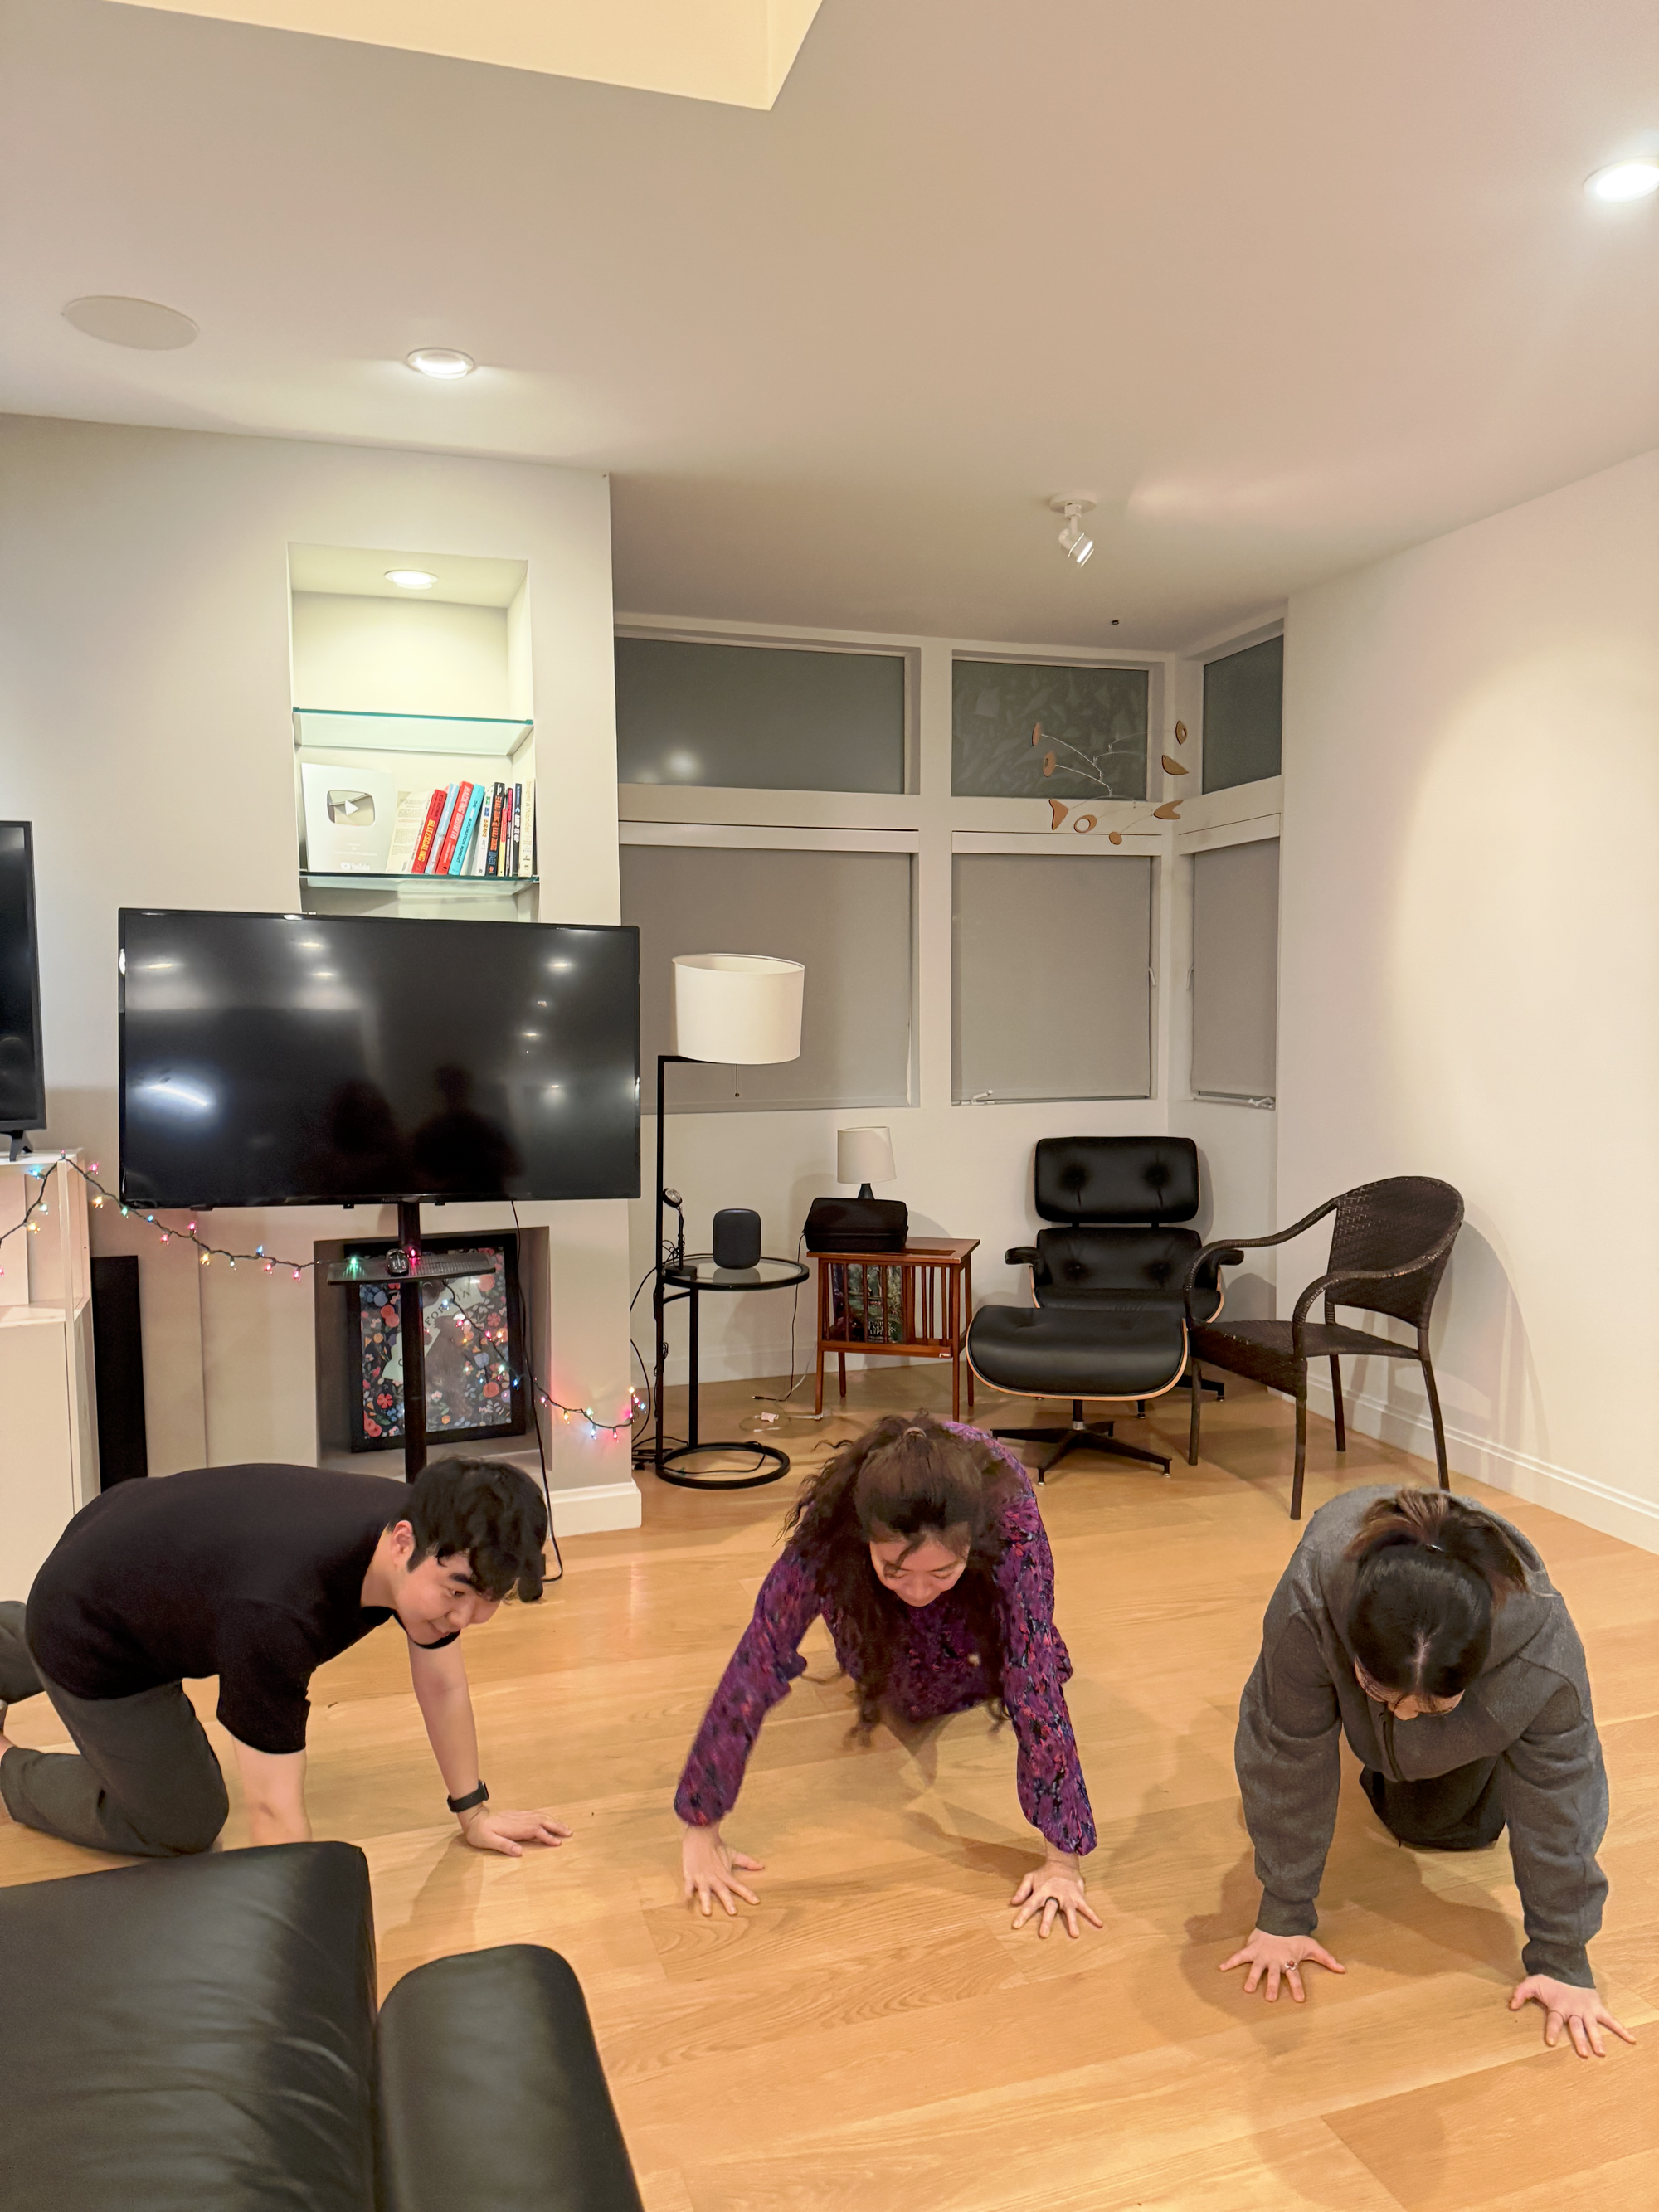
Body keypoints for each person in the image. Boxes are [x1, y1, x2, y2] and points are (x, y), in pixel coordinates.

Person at [1226, 1484, 1633, 2059]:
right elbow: (1284, 1748)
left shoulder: (1542, 1657)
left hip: (1484, 1713)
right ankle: (1395, 1715)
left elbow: (1563, 1796)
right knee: (1344, 1744)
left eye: (1433, 1707)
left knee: (1437, 1825)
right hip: (1346, 1634)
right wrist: (1283, 1913)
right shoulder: (1311, 1594)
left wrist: (1563, 1958)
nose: (1404, 1715)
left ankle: (1433, 1737)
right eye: (1380, 1692)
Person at [0, 1456, 570, 1862]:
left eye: (490, 1599)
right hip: (96, 1632)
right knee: (184, 1823)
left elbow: (442, 1685)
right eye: (457, 1592)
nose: (466, 1617)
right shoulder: (279, 1613)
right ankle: (6, 1765)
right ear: (403, 1543)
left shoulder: (425, 1525)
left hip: (126, 1545)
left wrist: (474, 1813)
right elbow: (272, 1813)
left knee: (137, 1610)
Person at [674, 1412, 1102, 1938]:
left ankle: (940, 1585)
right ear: (864, 1541)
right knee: (901, 1692)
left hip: (984, 1582)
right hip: (875, 1599)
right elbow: (759, 1656)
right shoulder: (832, 1528)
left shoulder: (1012, 1520)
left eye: (941, 1572)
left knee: (1010, 1657)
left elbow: (1031, 1677)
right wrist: (701, 1825)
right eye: (895, 1570)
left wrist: (1063, 1863)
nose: (919, 1591)